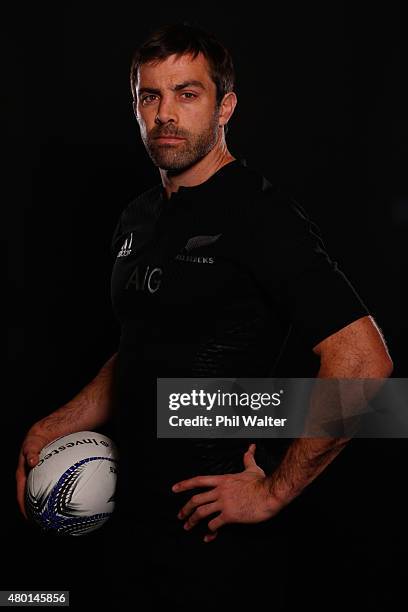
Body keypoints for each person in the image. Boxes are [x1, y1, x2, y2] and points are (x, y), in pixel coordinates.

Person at [17, 23, 393, 608]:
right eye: (150, 95)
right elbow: (144, 345)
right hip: (126, 519)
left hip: (216, 539)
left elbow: (365, 362)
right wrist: (54, 424)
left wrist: (272, 489)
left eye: (187, 94)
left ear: (226, 107)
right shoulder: (136, 218)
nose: (166, 113)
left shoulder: (260, 215)